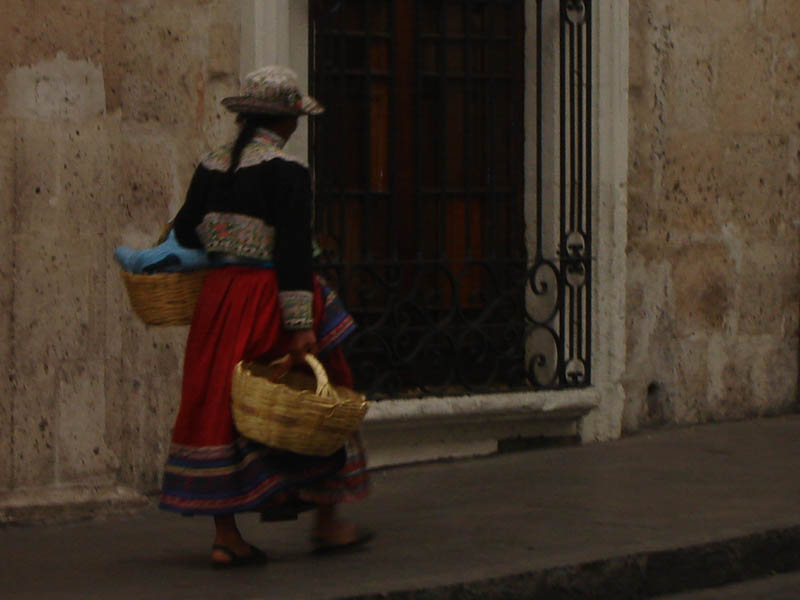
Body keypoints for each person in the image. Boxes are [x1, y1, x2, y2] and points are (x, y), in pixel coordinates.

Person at [158, 66, 371, 568]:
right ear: (288, 122)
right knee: (316, 395)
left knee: (220, 405)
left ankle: (226, 535)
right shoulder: (288, 172)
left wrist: (225, 239)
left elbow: (186, 234)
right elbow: (294, 252)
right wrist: (300, 325)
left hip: (221, 299)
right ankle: (326, 518)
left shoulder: (211, 166)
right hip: (270, 299)